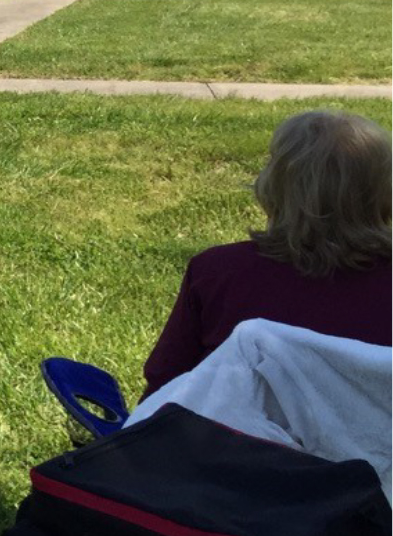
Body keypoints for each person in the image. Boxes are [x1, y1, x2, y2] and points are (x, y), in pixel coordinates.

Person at [142, 110, 392, 398]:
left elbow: (165, 385)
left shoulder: (218, 273)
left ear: (274, 186)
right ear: (383, 191)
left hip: (235, 442)